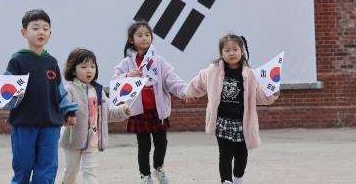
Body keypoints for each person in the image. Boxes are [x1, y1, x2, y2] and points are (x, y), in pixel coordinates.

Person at [184, 34, 279, 184]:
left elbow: (259, 96)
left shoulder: (250, 74)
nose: (231, 53)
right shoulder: (213, 70)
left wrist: (272, 93)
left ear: (242, 51)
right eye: (227, 50)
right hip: (222, 121)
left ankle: (238, 179)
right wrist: (189, 93)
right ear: (221, 53)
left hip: (243, 122)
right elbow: (198, 82)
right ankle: (226, 181)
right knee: (225, 154)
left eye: (235, 49)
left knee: (241, 155)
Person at [4, 9, 78, 184]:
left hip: (50, 124)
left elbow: (60, 91)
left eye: (45, 29)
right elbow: (6, 91)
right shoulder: (17, 60)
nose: (41, 32)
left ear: (50, 34)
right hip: (24, 124)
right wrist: (9, 97)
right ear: (24, 32)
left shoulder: (51, 62)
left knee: (47, 167)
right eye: (35, 28)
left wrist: (69, 111)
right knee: (23, 166)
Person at [112, 20, 187, 184]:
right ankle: (145, 176)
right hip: (139, 112)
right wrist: (127, 76)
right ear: (131, 40)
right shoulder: (126, 63)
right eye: (139, 35)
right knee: (144, 146)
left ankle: (158, 168)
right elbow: (115, 82)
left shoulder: (159, 61)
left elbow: (172, 79)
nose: (144, 38)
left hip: (157, 111)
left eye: (147, 35)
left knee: (161, 143)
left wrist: (185, 92)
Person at [60, 48, 131, 184]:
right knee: (71, 171)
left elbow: (107, 114)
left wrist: (122, 111)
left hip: (93, 138)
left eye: (92, 66)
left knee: (90, 171)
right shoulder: (69, 89)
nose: (89, 70)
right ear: (73, 70)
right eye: (84, 67)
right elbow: (62, 111)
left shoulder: (99, 90)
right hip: (73, 139)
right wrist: (67, 117)